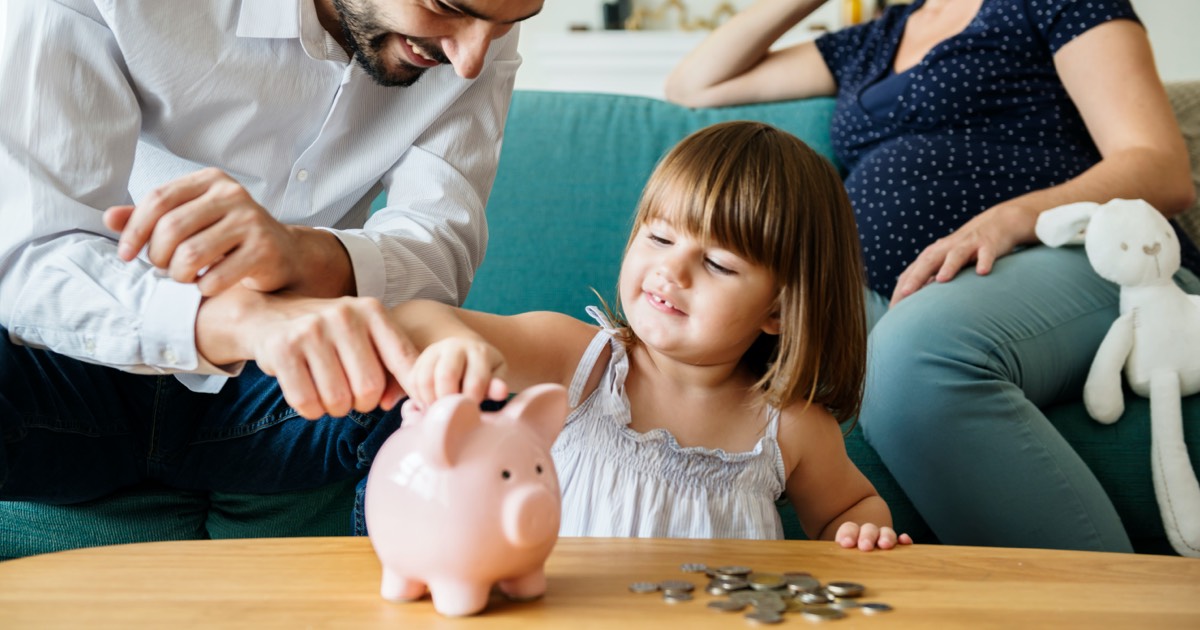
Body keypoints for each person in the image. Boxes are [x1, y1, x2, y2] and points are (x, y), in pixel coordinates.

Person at [665, 0, 1198, 552]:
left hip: (1078, 255)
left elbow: (1161, 167)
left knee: (911, 360)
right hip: (900, 289)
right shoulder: (873, 39)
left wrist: (1012, 219)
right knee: (747, 331)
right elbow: (692, 85)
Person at [0, 0, 542, 518]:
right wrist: (242, 320)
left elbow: (439, 245)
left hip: (283, 386)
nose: (470, 60)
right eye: (446, 7)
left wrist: (303, 254)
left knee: (463, 412)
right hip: (77, 370)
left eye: (503, 25)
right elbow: (29, 255)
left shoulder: (481, 22)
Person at [389, 121, 913, 549]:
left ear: (778, 311)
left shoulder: (790, 426)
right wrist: (456, 346)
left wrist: (863, 532)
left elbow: (849, 508)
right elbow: (417, 319)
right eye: (659, 237)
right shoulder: (580, 362)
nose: (672, 270)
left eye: (717, 264)